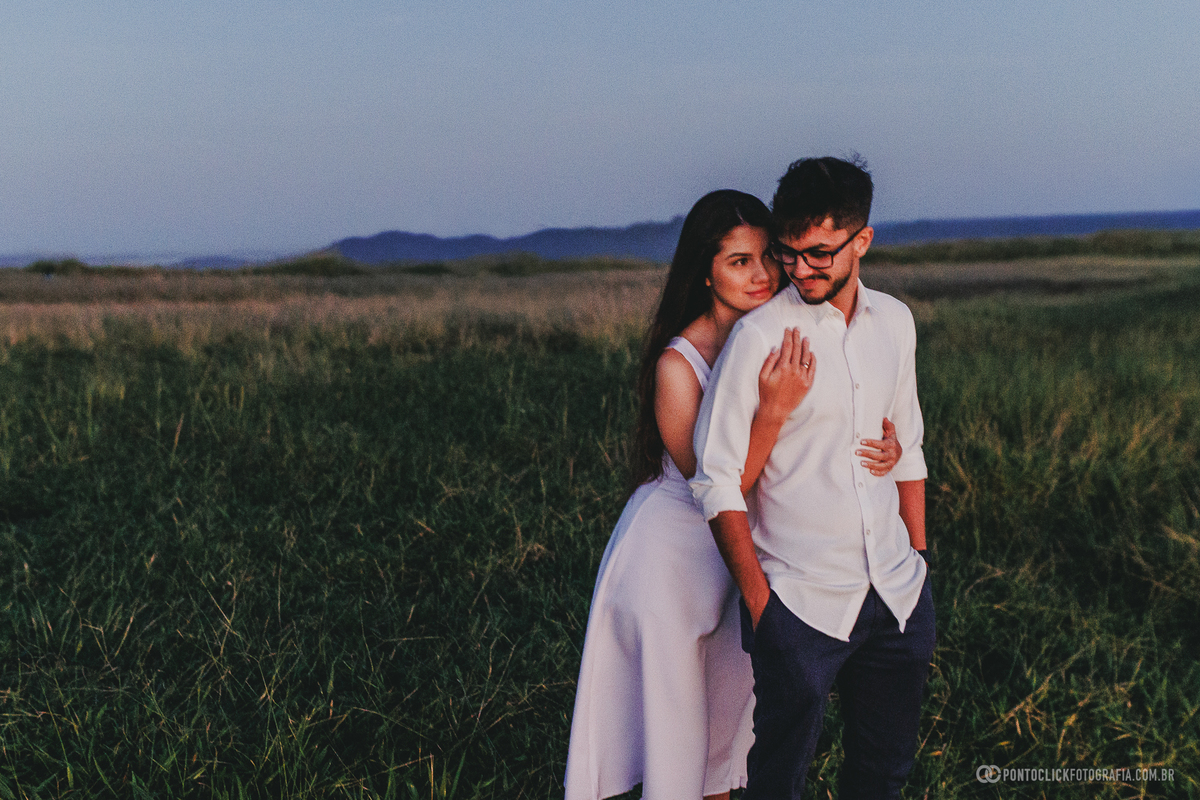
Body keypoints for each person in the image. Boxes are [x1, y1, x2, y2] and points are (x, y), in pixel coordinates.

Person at [564, 189, 903, 800]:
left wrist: (891, 445)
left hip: (745, 553)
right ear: (705, 272)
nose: (763, 274)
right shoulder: (678, 365)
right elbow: (720, 486)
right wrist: (772, 411)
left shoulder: (776, 334)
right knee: (676, 725)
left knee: (728, 719)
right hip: (674, 560)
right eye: (739, 261)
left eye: (769, 256)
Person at [691, 156, 935, 800]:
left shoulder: (896, 322)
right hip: (798, 604)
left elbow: (909, 447)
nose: (799, 270)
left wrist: (919, 557)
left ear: (862, 241)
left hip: (898, 597)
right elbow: (715, 480)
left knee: (882, 775)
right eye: (788, 253)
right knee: (775, 783)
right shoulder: (760, 336)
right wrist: (761, 607)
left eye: (819, 254)